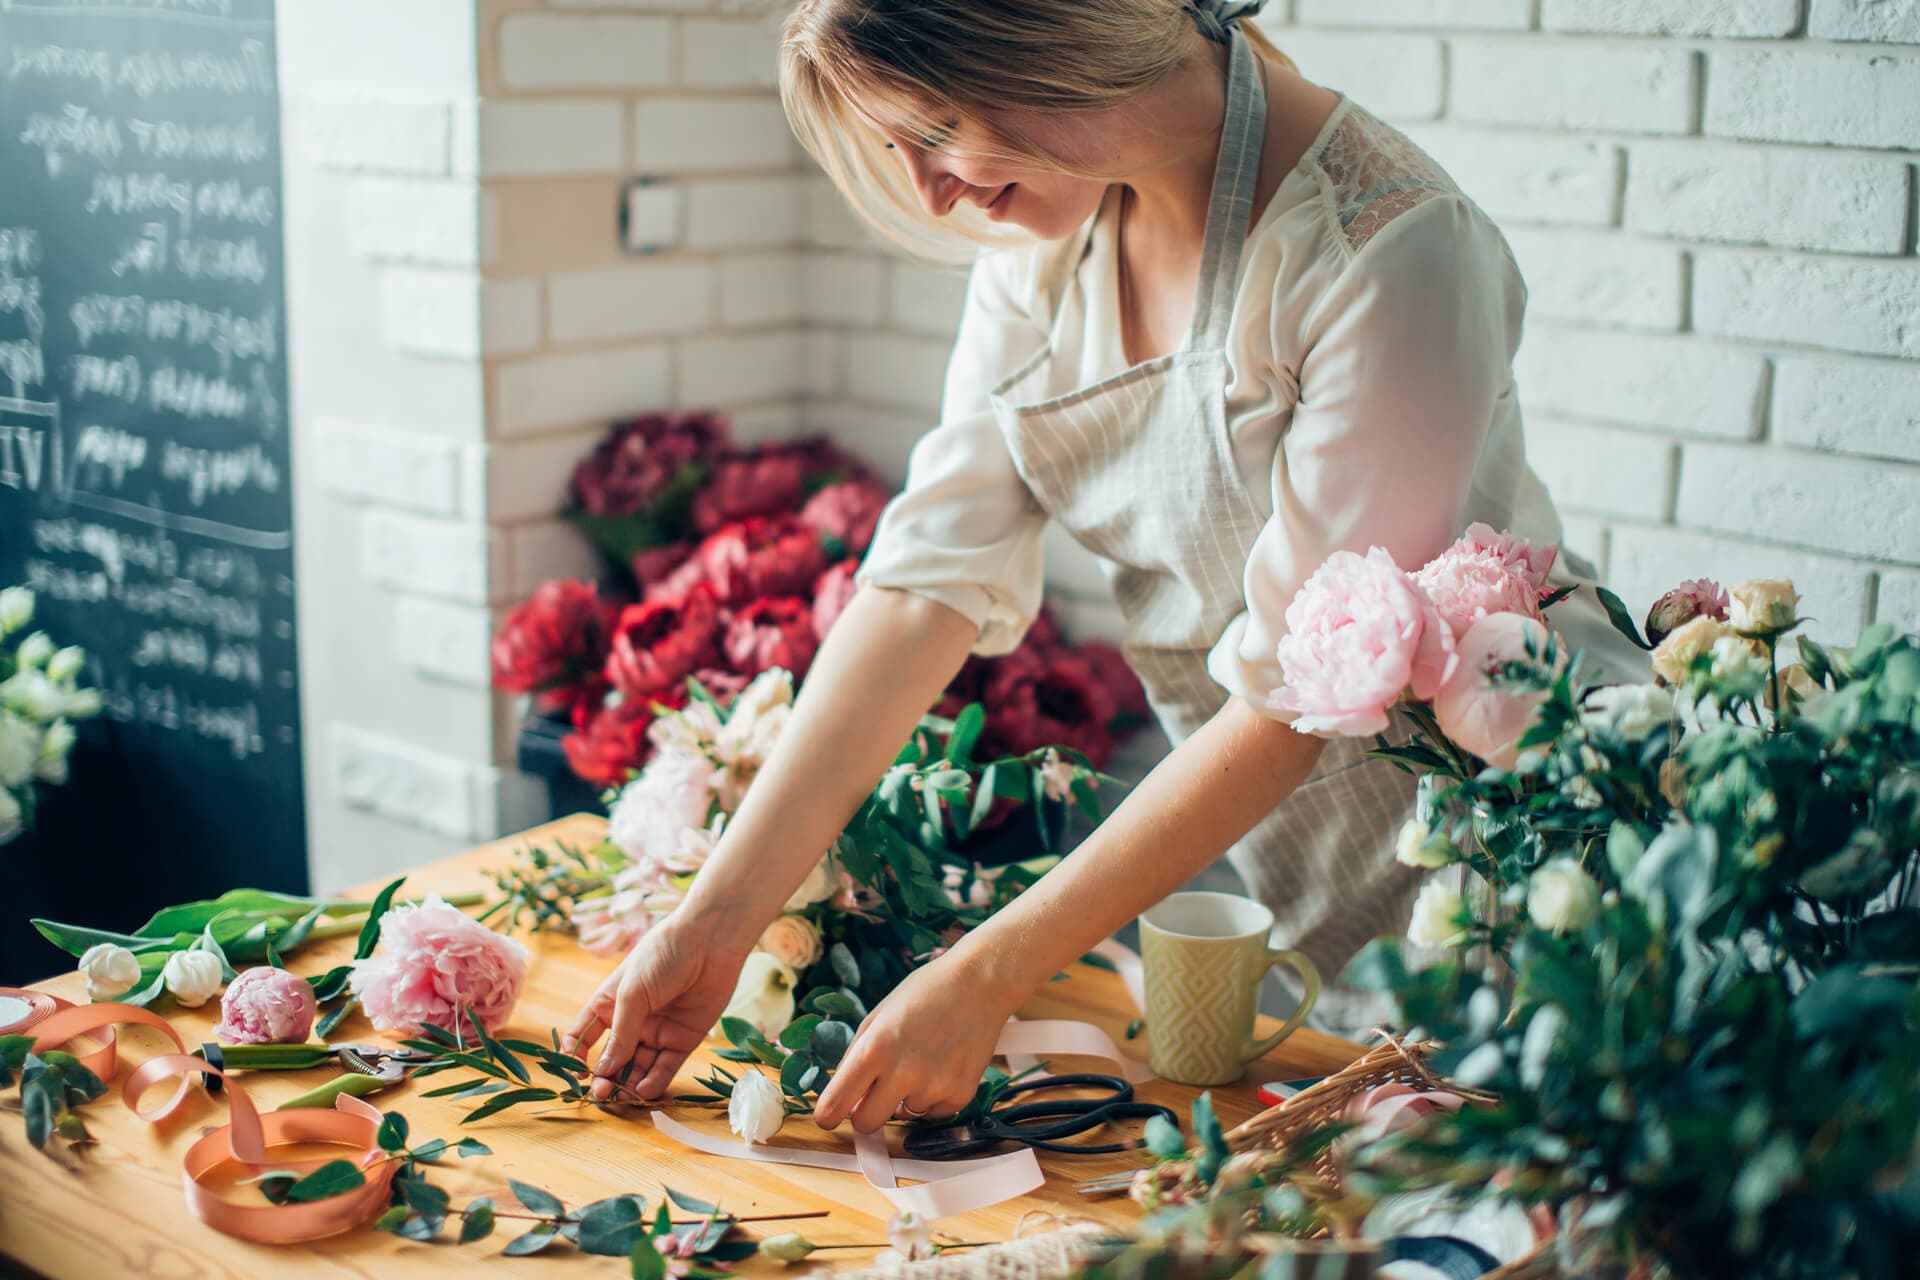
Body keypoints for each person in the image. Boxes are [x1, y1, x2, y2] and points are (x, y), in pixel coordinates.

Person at [564, 0, 1644, 1133]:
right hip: (1307, 863)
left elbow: (1293, 699)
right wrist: (719, 915)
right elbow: (925, 580)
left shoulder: (1391, 248)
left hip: (1519, 843)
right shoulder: (1042, 248)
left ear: (1046, 36)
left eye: (939, 130)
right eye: (900, 151)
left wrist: (987, 974)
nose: (932, 193)